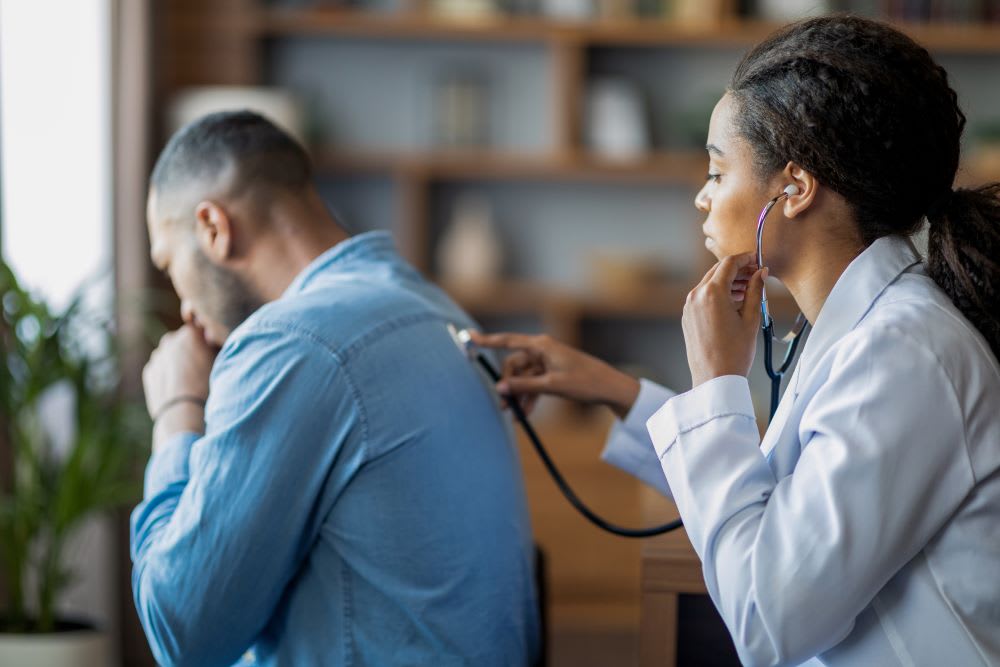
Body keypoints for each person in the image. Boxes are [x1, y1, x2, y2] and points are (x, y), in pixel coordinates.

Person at [473, 15, 1000, 667]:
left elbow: (765, 616)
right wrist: (611, 388)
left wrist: (717, 382)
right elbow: (776, 496)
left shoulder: (903, 353)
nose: (701, 197)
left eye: (718, 172)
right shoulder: (868, 330)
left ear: (795, 188)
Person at [132, 111, 540, 666]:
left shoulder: (291, 343)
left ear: (213, 229)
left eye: (169, 262)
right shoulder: (441, 311)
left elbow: (181, 635)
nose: (182, 305)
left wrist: (178, 411)